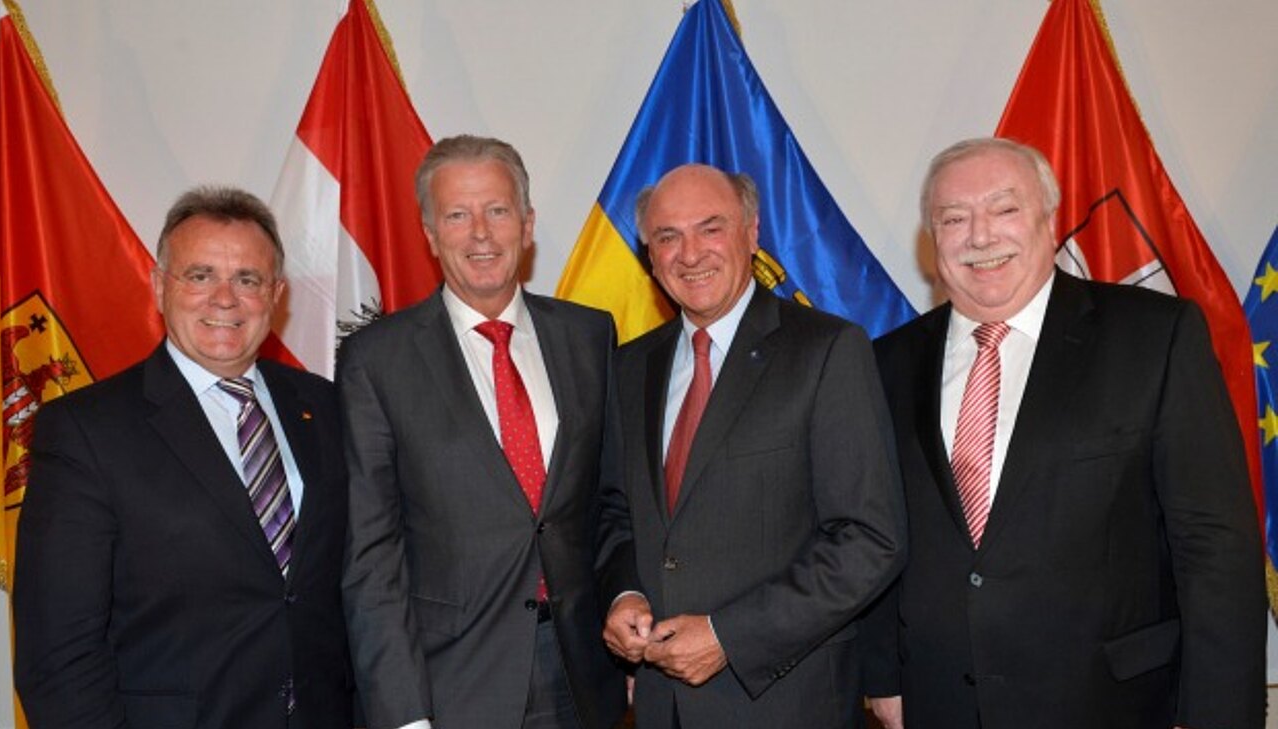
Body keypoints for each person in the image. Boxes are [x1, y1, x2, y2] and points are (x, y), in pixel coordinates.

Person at [862, 137, 1266, 729]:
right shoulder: (884, 363)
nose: (980, 236)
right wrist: (882, 677)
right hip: (939, 703)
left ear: (1048, 219)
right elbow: (873, 530)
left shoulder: (1154, 336)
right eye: (953, 218)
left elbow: (1214, 542)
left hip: (1113, 704)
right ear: (932, 239)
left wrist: (1218, 714)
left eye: (1004, 209)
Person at [13, 186, 354, 728]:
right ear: (158, 286)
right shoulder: (85, 430)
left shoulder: (326, 407)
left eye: (248, 279)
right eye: (200, 276)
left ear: (276, 294)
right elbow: (58, 656)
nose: (225, 299)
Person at [598, 163, 907, 728]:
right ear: (650, 255)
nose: (690, 253)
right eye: (667, 236)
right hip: (662, 707)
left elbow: (869, 540)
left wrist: (730, 637)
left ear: (751, 232)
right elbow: (616, 512)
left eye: (710, 228)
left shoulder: (827, 351)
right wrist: (624, 596)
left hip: (785, 704)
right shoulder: (630, 366)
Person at [338, 134, 626, 729]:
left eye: (497, 210)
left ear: (527, 224)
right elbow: (372, 557)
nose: (480, 234)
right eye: (456, 215)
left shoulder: (589, 336)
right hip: (451, 685)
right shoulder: (377, 360)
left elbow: (610, 504)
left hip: (582, 675)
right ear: (429, 233)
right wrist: (404, 714)